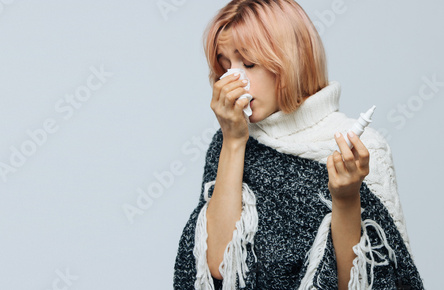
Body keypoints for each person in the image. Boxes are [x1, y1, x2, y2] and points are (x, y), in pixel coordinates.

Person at [173, 0, 424, 289]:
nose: (232, 80)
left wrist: (346, 198)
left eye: (249, 63)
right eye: (225, 64)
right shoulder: (230, 140)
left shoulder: (362, 148)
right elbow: (218, 267)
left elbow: (362, 282)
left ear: (290, 61)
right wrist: (232, 141)